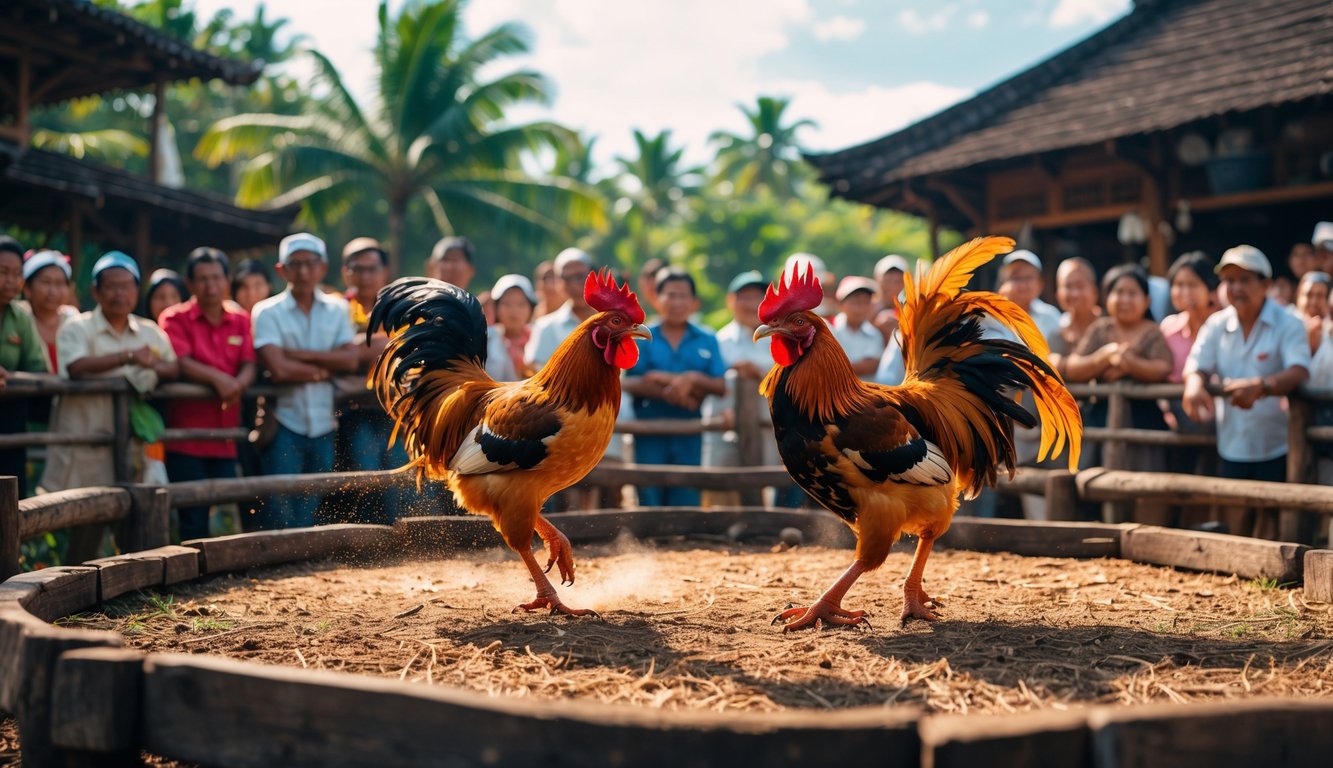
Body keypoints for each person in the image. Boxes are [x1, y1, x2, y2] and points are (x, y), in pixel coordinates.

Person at [43, 251, 178, 560]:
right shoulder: (78, 328)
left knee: (134, 517)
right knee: (87, 520)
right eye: (112, 286)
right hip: (87, 439)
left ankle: (130, 589)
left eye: (127, 286)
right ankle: (75, 590)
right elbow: (75, 366)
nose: (120, 293)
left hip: (133, 445)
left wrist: (152, 368)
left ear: (137, 290)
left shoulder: (149, 331)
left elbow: (173, 367)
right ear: (96, 291)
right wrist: (130, 358)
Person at [1183, 245, 1311, 538]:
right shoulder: (1217, 324)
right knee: (1235, 512)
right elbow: (1197, 363)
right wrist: (1193, 385)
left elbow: (1300, 368)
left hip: (1277, 439)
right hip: (1233, 439)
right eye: (1229, 281)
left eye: (1244, 280)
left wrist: (1263, 386)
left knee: (1273, 520)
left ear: (1265, 285)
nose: (1235, 287)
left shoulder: (1287, 321)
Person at [251, 233, 359, 529]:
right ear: (281, 269)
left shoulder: (337, 309)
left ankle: (299, 565)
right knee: (280, 503)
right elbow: (278, 369)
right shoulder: (266, 311)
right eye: (295, 264)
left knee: (312, 502)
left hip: (324, 422)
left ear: (322, 268)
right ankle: (282, 564)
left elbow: (350, 360)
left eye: (310, 264)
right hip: (284, 421)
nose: (303, 271)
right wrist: (325, 367)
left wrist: (297, 355)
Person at [157, 248, 256, 541]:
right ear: (189, 284)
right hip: (185, 439)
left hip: (227, 437)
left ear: (227, 279)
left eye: (216, 277)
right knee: (192, 518)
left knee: (232, 516)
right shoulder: (175, 318)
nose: (210, 285)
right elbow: (181, 361)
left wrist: (238, 384)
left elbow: (250, 362)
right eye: (202, 279)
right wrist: (221, 380)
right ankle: (192, 583)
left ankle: (226, 580)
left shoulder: (240, 319)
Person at [1065, 264, 1174, 522]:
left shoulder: (1152, 331)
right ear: (1107, 297)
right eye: (1118, 292)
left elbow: (1163, 368)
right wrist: (1104, 357)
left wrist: (1129, 363)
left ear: (1146, 299)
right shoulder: (1100, 330)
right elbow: (1073, 366)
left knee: (1145, 482)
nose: (1124, 299)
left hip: (1143, 422)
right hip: (1100, 419)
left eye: (1132, 293)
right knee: (1093, 476)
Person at [624, 267, 727, 507]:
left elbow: (720, 385)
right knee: (650, 494)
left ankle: (686, 544)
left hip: (690, 432)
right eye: (670, 295)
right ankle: (651, 544)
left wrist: (688, 379)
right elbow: (629, 381)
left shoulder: (707, 338)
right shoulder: (642, 335)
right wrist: (676, 390)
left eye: (683, 296)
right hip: (649, 429)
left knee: (687, 493)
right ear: (656, 299)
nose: (677, 302)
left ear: (694, 302)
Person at [1158, 252, 1220, 483]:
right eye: (1178, 284)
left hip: (1221, 424)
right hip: (1176, 423)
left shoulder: (1223, 326)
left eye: (1193, 285)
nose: (1184, 292)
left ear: (1210, 288)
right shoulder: (1168, 328)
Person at [0, 239, 52, 497]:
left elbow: (38, 369)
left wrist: (12, 378)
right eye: (3, 272)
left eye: (18, 273)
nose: (11, 280)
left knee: (12, 502)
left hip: (9, 420)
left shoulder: (20, 316)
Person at [20, 248, 78, 372]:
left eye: (60, 283)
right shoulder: (18, 317)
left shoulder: (73, 318)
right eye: (46, 282)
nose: (53, 291)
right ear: (27, 288)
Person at [1048, 257, 1101, 376]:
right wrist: (1103, 358)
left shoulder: (1109, 327)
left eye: (1080, 286)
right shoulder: (1056, 334)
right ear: (1058, 294)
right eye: (1068, 286)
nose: (1075, 294)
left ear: (1094, 291)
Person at [830, 276, 885, 380]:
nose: (860, 308)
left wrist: (837, 368)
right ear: (840, 304)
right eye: (855, 302)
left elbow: (872, 365)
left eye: (865, 302)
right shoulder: (829, 330)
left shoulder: (874, 334)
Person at [487, 274, 536, 381]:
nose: (514, 311)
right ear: (496, 307)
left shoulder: (540, 336)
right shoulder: (486, 340)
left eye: (521, 304)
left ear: (531, 308)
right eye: (506, 304)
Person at [871, 254, 908, 343]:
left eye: (898, 281)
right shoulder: (866, 307)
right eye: (888, 280)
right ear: (877, 279)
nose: (893, 286)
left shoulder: (910, 310)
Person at [1294, 271, 1330, 354]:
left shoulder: (1330, 329)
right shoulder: (1284, 323)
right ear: (1298, 296)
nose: (1313, 302)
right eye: (1308, 294)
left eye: (1319, 295)